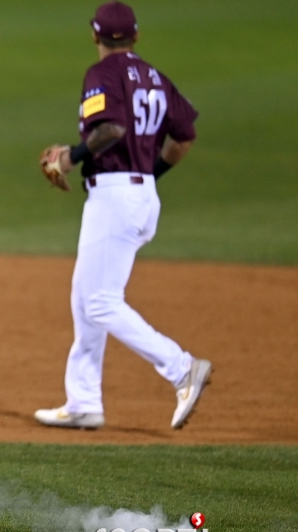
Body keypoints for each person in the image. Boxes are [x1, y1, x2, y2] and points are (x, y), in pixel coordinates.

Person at [35, 2, 211, 430]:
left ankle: (181, 367)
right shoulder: (153, 76)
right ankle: (83, 401)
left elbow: (111, 128)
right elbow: (184, 135)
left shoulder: (103, 74)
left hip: (114, 197)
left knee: (99, 300)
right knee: (85, 295)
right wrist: (150, 175)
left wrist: (70, 158)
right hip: (138, 194)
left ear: (96, 36)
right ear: (136, 36)